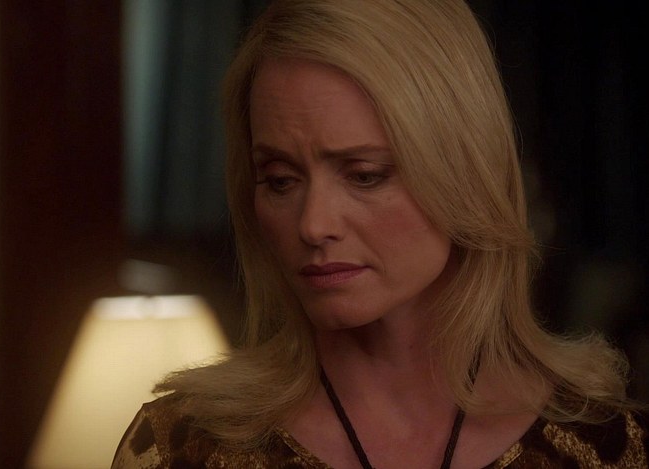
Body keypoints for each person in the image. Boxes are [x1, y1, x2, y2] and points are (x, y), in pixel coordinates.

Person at [112, 0, 648, 467]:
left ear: (465, 172)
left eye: (365, 175)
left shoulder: (612, 447)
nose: (313, 225)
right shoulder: (186, 447)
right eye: (279, 180)